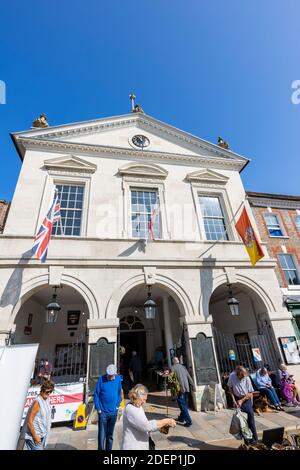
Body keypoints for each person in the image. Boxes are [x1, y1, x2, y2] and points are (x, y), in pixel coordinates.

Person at [121, 384, 176, 450]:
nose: (145, 402)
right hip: (134, 446)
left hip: (141, 445)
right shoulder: (131, 409)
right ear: (137, 397)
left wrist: (162, 426)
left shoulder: (138, 406)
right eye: (143, 399)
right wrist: (166, 421)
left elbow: (144, 423)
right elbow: (146, 426)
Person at [94, 364, 122, 450]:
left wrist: (117, 406)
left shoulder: (118, 379)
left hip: (113, 412)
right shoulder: (101, 379)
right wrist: (98, 409)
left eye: (111, 375)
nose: (109, 376)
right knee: (101, 436)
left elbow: (119, 393)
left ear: (114, 374)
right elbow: (96, 394)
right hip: (103, 413)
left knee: (110, 436)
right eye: (108, 374)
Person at [228, 365, 258, 444]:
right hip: (237, 399)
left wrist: (241, 400)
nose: (243, 378)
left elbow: (250, 393)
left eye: (244, 376)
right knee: (242, 423)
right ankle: (247, 442)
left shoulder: (247, 378)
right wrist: (233, 400)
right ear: (237, 374)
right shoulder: (232, 376)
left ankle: (255, 440)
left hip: (246, 399)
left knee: (251, 420)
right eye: (241, 376)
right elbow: (230, 388)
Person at [24, 380, 54, 450]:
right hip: (34, 436)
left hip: (42, 434)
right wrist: (35, 437)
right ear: (42, 390)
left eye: (51, 391)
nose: (49, 393)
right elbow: (29, 421)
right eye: (47, 391)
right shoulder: (37, 402)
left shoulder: (46, 399)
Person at [171, 357, 195, 427]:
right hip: (186, 388)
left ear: (173, 362)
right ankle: (182, 418)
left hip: (180, 389)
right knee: (183, 403)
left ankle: (189, 421)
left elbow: (172, 381)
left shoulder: (172, 368)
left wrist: (173, 392)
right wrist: (193, 385)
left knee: (182, 404)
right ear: (178, 361)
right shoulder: (183, 367)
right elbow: (189, 377)